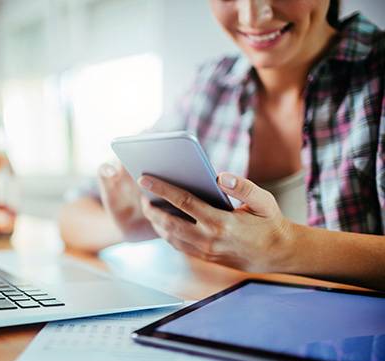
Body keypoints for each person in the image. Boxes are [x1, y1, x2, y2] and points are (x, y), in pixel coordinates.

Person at [58, 0, 385, 291]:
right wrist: (141, 226)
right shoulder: (208, 88)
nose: (254, 15)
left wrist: (283, 246)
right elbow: (72, 216)